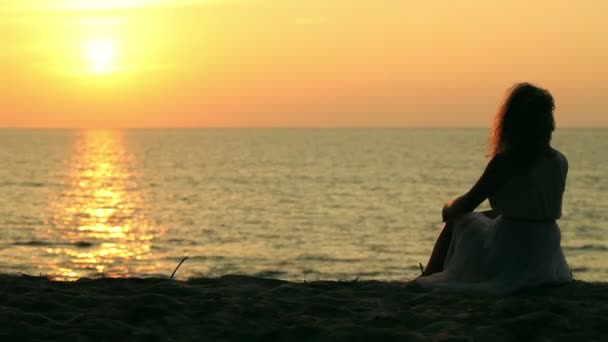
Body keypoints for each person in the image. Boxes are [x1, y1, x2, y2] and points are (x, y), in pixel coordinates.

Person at [416, 82, 572, 294]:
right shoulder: (559, 160)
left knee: (458, 219)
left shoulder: (507, 161)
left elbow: (468, 203)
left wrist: (448, 207)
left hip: (511, 247)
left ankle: (427, 276)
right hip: (547, 257)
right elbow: (528, 207)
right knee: (491, 215)